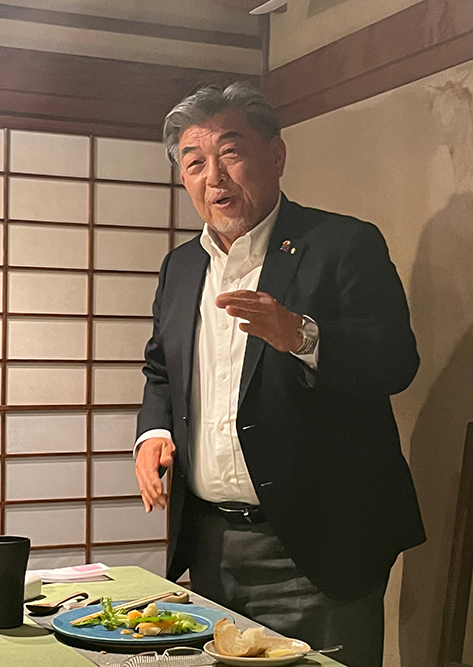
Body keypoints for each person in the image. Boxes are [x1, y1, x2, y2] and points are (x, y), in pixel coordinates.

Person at [134, 82, 425, 667]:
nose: (214, 177)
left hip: (319, 547)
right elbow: (161, 370)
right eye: (195, 163)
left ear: (276, 154)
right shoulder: (182, 266)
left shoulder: (342, 243)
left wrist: (300, 335)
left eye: (230, 152)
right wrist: (153, 434)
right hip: (212, 543)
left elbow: (396, 361)